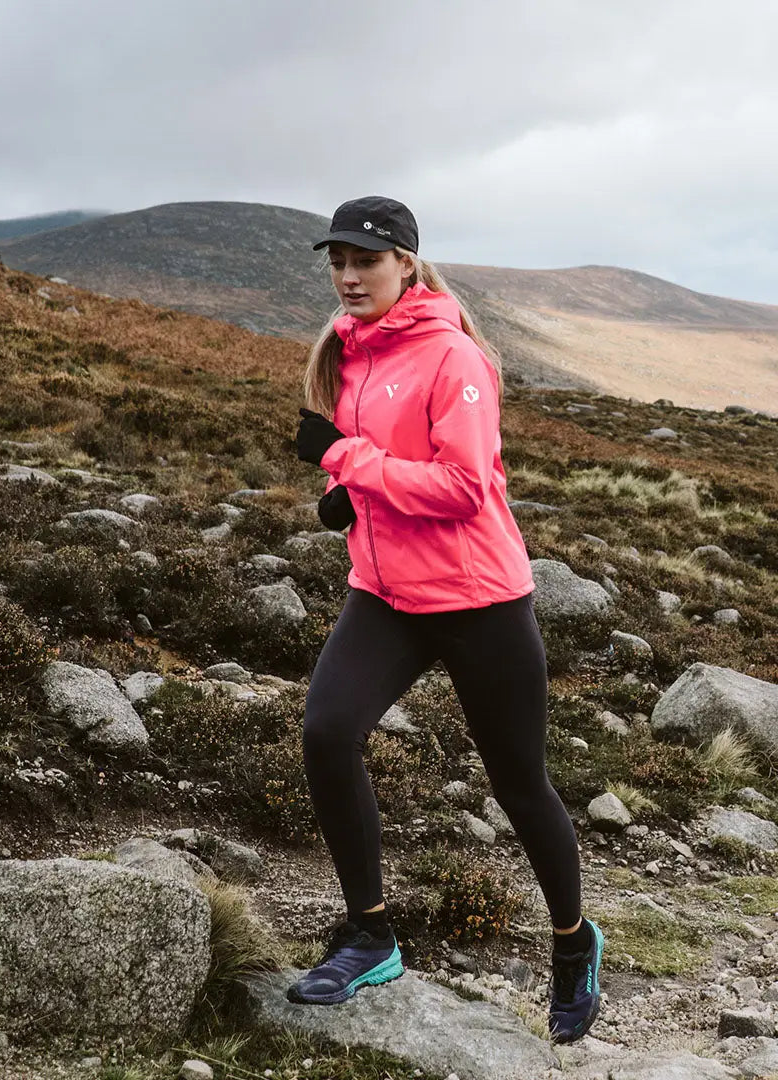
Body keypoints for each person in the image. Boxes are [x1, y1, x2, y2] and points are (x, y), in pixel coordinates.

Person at [287, 195, 603, 1045]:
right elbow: (373, 466)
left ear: (406, 265)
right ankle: (371, 933)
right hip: (386, 596)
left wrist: (346, 457)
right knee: (327, 731)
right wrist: (340, 495)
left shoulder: (452, 357)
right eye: (337, 262)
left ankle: (574, 944)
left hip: (480, 604)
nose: (348, 276)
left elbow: (466, 488)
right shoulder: (348, 353)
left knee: (520, 786)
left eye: (365, 261)